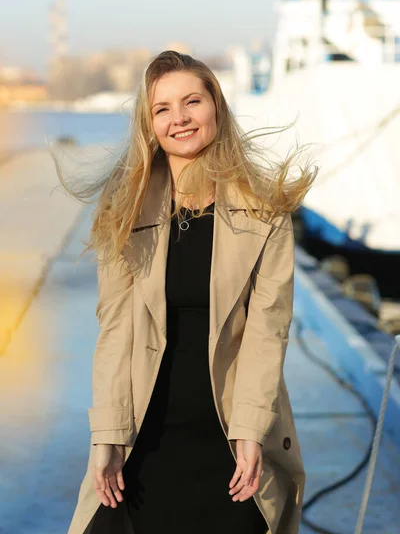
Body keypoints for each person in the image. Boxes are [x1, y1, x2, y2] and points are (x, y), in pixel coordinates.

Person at [61, 50, 317, 534]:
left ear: (216, 107)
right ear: (148, 124)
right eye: (162, 109)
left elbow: (269, 330)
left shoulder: (266, 212)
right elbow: (115, 331)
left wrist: (248, 430)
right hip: (144, 435)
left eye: (191, 101)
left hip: (227, 435)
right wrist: (107, 437)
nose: (178, 118)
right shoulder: (123, 213)